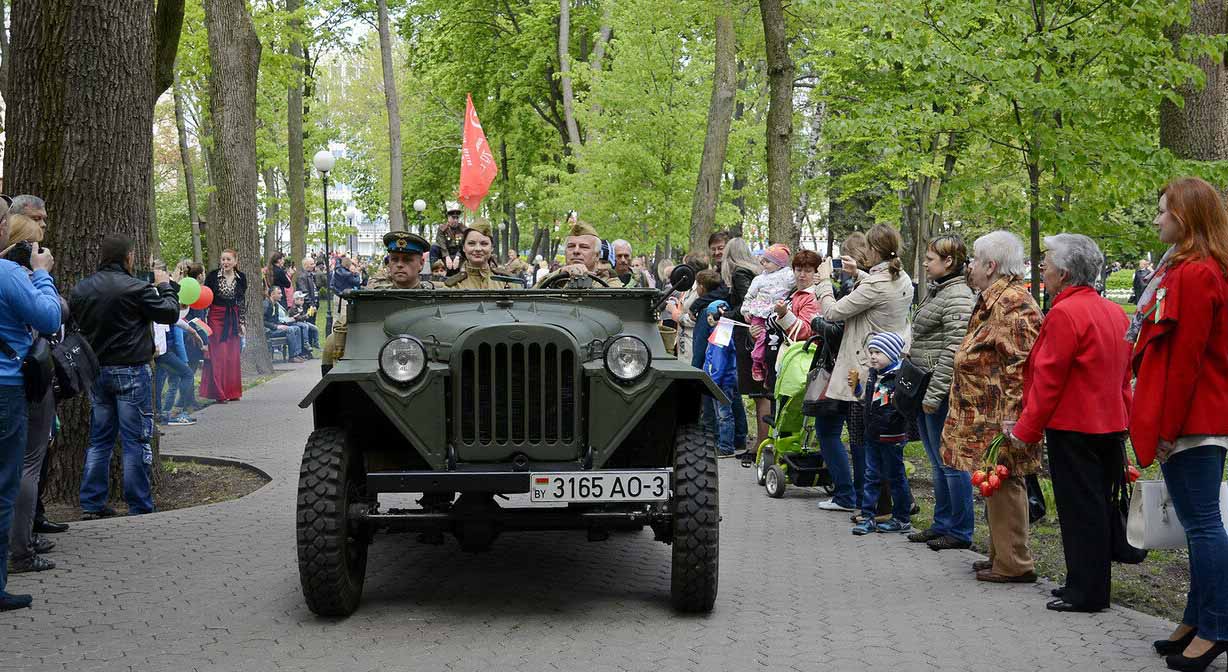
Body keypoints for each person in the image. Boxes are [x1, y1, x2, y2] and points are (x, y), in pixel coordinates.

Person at [1129, 177, 1228, 668]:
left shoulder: (1195, 274)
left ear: (1185, 219)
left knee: (1204, 524)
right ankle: (1196, 618)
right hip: (1192, 414)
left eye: (1163, 211)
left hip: (1195, 417)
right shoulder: (1189, 269)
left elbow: (1185, 361)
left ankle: (1217, 628)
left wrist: (1166, 430)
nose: (1156, 219)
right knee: (1196, 524)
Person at [1004, 234, 1132, 613]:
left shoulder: (1064, 313)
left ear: (1064, 271)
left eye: (1046, 264)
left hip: (1075, 425)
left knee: (1080, 510)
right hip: (1109, 423)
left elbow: (1048, 379)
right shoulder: (1113, 311)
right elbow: (1124, 375)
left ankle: (1087, 592)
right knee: (1097, 507)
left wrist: (1025, 431)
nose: (1042, 270)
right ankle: (1084, 583)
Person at [942, 230, 1043, 584]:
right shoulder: (992, 298)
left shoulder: (1012, 302)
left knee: (1005, 483)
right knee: (993, 484)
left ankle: (1014, 562)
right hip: (983, 412)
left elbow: (1023, 364)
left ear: (991, 265)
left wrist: (1015, 418)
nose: (969, 266)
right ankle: (1000, 555)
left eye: (974, 260)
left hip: (1000, 415)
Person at [71, 235, 179, 518]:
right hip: (131, 369)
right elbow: (169, 313)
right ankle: (140, 505)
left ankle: (92, 503)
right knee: (136, 440)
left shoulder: (82, 288)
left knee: (100, 440)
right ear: (128, 257)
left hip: (97, 370)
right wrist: (166, 286)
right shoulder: (135, 288)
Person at [812, 226, 912, 515]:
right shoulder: (900, 276)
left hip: (864, 369)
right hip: (890, 363)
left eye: (867, 247)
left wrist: (823, 284)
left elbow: (832, 312)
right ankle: (882, 502)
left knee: (862, 436)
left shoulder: (876, 284)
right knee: (881, 436)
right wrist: (858, 274)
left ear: (874, 251)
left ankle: (869, 502)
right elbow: (880, 290)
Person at [0, 203, 59, 610]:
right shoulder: (8, 275)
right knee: (6, 482)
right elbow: (50, 317)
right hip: (6, 389)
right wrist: (42, 277)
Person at [907, 235, 976, 551]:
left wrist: (934, 396)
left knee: (951, 463)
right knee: (937, 462)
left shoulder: (958, 296)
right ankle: (942, 523)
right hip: (925, 387)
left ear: (949, 262)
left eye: (930, 258)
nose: (924, 262)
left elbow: (953, 350)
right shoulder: (941, 292)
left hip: (940, 390)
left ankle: (960, 530)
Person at [324, 231, 430, 369]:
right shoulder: (376, 296)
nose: (399, 264)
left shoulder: (435, 296)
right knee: (331, 342)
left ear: (421, 263)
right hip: (377, 347)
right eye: (394, 259)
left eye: (407, 259)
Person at [850, 332, 913, 535]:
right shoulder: (874, 375)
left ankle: (902, 517)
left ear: (893, 354)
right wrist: (857, 388)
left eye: (878, 352)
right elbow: (868, 401)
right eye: (871, 352)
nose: (873, 356)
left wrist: (893, 424)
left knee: (895, 477)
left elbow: (900, 408)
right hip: (873, 434)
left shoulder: (898, 379)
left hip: (892, 436)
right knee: (871, 476)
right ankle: (868, 516)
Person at [720, 237, 766, 461]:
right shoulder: (755, 272)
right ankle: (760, 442)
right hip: (755, 335)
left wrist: (725, 315)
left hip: (749, 336)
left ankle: (761, 445)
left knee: (758, 392)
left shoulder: (739, 273)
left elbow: (747, 306)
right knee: (759, 392)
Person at [698, 272, 743, 458]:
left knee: (724, 415)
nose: (708, 319)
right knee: (724, 413)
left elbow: (718, 362)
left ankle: (725, 446)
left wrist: (711, 381)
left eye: (709, 315)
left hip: (720, 382)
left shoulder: (720, 335)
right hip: (725, 380)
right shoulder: (722, 331)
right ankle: (725, 443)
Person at [741, 243, 795, 382]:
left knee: (771, 341)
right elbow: (749, 295)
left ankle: (767, 367)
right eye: (763, 260)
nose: (764, 263)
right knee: (760, 337)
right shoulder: (759, 279)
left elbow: (800, 282)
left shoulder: (788, 275)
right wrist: (746, 310)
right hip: (759, 311)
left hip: (776, 312)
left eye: (768, 261)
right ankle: (757, 363)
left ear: (779, 264)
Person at [200, 250, 247, 403]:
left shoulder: (241, 278)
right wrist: (204, 323)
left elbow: (241, 302)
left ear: (235, 261)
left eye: (228, 259)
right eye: (223, 259)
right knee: (219, 355)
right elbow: (206, 299)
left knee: (232, 356)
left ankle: (232, 392)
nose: (225, 262)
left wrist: (242, 323)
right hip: (216, 317)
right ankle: (219, 393)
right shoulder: (213, 276)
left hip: (232, 318)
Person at [444, 219, 514, 290]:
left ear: (492, 248)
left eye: (484, 244)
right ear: (463, 248)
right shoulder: (452, 286)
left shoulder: (508, 282)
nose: (478, 249)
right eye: (471, 243)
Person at [264, 287, 306, 363]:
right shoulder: (266, 305)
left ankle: (298, 354)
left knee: (296, 328)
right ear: (272, 294)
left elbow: (276, 320)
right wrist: (276, 326)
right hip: (269, 330)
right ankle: (292, 356)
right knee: (291, 330)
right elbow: (263, 321)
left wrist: (283, 324)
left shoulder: (276, 305)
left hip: (276, 328)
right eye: (279, 293)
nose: (281, 295)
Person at [431, 202, 467, 276]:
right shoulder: (442, 229)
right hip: (445, 252)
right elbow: (441, 243)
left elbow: (464, 244)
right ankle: (434, 271)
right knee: (434, 247)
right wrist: (447, 257)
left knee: (468, 247)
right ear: (448, 218)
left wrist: (458, 256)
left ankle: (465, 271)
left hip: (458, 252)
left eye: (457, 218)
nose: (455, 220)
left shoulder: (463, 229)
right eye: (453, 218)